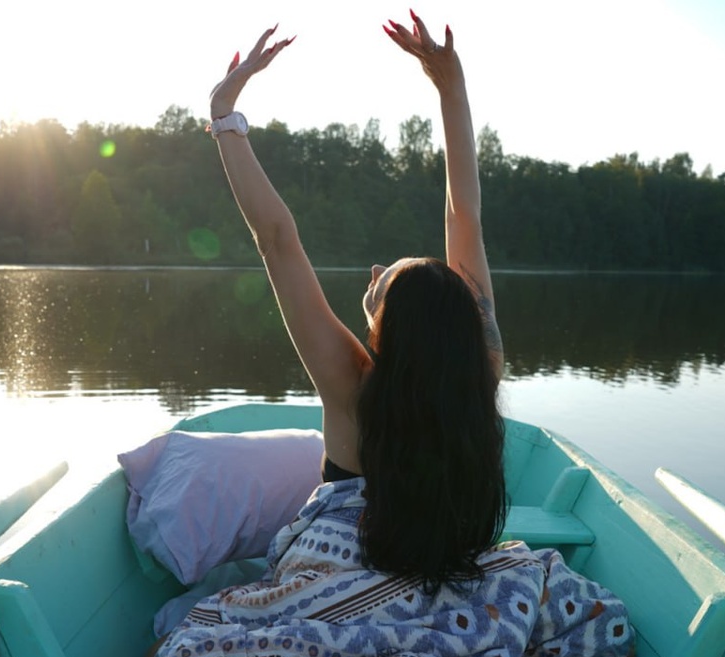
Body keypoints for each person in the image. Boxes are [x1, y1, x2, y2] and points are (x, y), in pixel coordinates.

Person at [208, 11, 505, 594]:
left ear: (393, 326)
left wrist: (224, 116)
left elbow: (277, 240)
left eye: (384, 280)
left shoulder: (352, 386)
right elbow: (464, 216)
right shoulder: (482, 364)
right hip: (453, 560)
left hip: (344, 571)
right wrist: (451, 88)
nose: (374, 271)